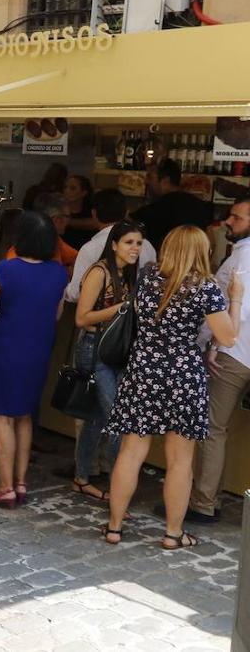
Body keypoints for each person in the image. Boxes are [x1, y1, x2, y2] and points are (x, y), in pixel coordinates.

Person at [103, 226, 240, 549]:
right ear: (201, 251)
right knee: (180, 460)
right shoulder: (205, 288)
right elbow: (228, 337)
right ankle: (173, 533)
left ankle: (114, 527)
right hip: (183, 373)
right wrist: (235, 297)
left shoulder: (149, 276)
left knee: (131, 451)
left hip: (144, 369)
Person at [0, 211, 69, 508]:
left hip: (3, 348)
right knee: (25, 415)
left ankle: (5, 487)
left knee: (2, 416)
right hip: (37, 351)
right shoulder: (58, 272)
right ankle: (21, 482)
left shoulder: (5, 270)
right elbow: (58, 314)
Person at [186, 198, 250, 524]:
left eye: (236, 217)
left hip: (234, 353)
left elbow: (230, 315)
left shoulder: (242, 258)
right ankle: (214, 495)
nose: (228, 221)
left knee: (212, 428)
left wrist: (210, 344)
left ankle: (204, 503)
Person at [71, 220, 143, 501]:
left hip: (118, 350)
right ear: (114, 245)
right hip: (96, 348)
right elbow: (82, 318)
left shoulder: (129, 274)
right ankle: (119, 485)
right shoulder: (99, 272)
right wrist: (123, 308)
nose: (134, 248)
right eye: (128, 242)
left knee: (97, 418)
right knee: (116, 417)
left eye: (138, 243)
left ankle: (82, 476)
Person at [65, 189, 158, 304]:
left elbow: (77, 294)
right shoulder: (146, 244)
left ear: (94, 213)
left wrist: (61, 286)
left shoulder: (90, 248)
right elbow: (152, 285)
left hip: (102, 318)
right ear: (126, 213)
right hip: (138, 314)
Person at [133, 159, 213, 252]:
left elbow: (129, 224)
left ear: (165, 181)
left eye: (150, 177)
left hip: (167, 264)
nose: (145, 181)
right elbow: (212, 242)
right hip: (193, 264)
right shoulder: (199, 204)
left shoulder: (159, 207)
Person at [62, 174, 98, 250]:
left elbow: (97, 223)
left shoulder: (92, 212)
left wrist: (69, 222)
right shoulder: (59, 210)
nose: (67, 191)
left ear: (84, 193)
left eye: (72, 188)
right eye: (65, 187)